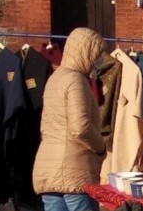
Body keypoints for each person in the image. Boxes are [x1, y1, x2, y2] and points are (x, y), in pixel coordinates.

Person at [32, 28, 107, 211]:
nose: (98, 61)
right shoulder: (76, 81)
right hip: (74, 171)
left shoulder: (55, 78)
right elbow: (80, 127)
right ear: (86, 52)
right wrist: (101, 147)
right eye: (96, 55)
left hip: (48, 169)